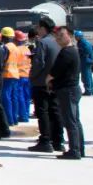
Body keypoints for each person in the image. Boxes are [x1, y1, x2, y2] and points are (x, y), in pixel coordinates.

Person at [28, 18, 65, 154]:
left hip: (41, 82)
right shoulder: (57, 42)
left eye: (38, 27)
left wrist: (32, 75)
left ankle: (45, 140)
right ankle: (58, 141)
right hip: (55, 81)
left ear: (43, 28)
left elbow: (39, 63)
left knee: (42, 112)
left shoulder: (43, 43)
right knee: (55, 111)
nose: (37, 30)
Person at [50, 26, 85, 159]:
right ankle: (79, 148)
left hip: (68, 90)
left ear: (69, 36)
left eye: (62, 35)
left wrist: (48, 79)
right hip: (71, 89)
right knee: (74, 120)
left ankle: (74, 150)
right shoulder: (71, 50)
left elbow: (55, 71)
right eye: (57, 36)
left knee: (70, 121)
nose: (58, 38)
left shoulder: (67, 52)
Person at [76, 30, 93, 96]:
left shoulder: (82, 43)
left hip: (85, 61)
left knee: (86, 76)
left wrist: (81, 55)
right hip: (88, 60)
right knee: (89, 75)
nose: (76, 38)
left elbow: (85, 51)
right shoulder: (85, 42)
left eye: (76, 36)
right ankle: (92, 89)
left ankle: (88, 90)